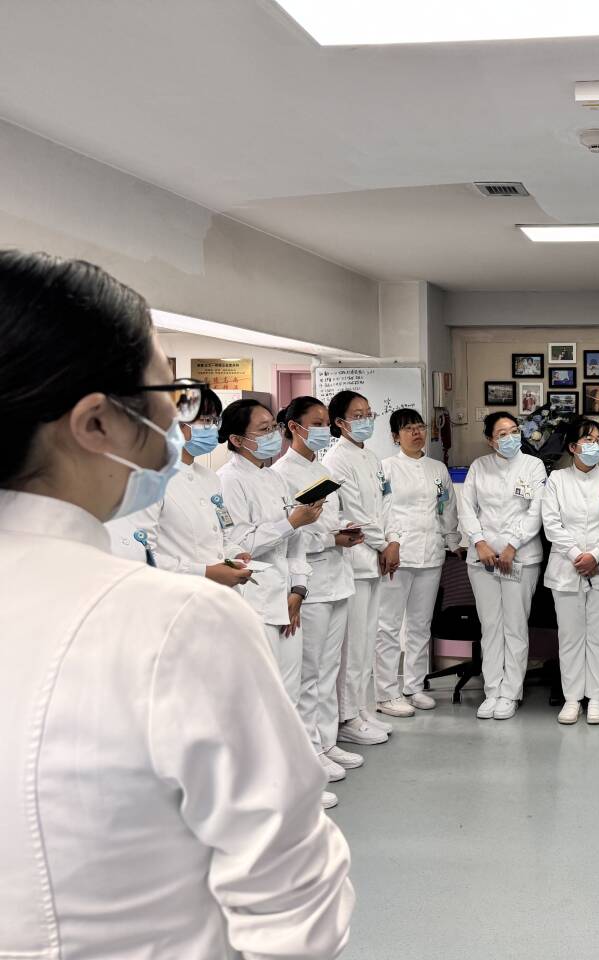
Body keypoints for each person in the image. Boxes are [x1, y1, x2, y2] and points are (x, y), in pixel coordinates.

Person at [0, 250, 352, 957]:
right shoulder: (172, 623)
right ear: (96, 423)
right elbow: (291, 897)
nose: (179, 416)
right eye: (173, 390)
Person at [218, 399, 333, 802]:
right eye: (263, 430)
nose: (273, 435)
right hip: (253, 598)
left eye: (273, 427)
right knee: (262, 697)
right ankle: (266, 782)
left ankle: (294, 774)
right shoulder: (229, 481)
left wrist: (298, 590)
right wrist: (290, 523)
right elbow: (238, 546)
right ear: (237, 440)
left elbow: (296, 543)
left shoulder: (274, 478)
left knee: (290, 690)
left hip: (285, 598)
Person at [272, 396, 365, 784]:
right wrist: (331, 539)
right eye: (317, 422)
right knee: (308, 673)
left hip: (338, 578)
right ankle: (308, 748)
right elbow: (291, 533)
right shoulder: (281, 474)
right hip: (310, 583)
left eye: (327, 422)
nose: (325, 429)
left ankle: (326, 742)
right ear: (294, 427)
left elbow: (328, 519)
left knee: (329, 669)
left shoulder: (323, 469)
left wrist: (344, 530)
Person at [458, 411, 547, 720]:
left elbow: (536, 510)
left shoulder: (533, 465)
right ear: (490, 440)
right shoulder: (479, 467)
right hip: (482, 558)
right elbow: (466, 507)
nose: (510, 438)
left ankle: (510, 693)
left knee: (515, 626)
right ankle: (492, 690)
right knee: (491, 626)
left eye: (514, 431)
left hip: (519, 557)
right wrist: (479, 542)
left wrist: (512, 546)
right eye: (502, 434)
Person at [542, 418, 599, 725]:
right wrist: (576, 555)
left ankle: (595, 698)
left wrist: (595, 555)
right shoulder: (556, 479)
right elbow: (552, 523)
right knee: (570, 637)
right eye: (588, 440)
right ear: (572, 446)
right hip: (566, 568)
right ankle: (572, 699)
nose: (595, 445)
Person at [375, 407, 461, 718]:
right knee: (388, 626)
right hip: (396, 555)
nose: (416, 433)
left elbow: (447, 507)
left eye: (420, 426)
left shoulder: (437, 469)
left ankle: (413, 686)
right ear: (395, 436)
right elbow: (381, 510)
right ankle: (386, 692)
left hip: (431, 554)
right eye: (408, 428)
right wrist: (387, 544)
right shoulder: (385, 468)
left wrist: (453, 542)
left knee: (420, 625)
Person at [324, 390, 397, 747]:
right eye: (358, 414)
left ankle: (361, 708)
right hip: (355, 560)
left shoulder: (372, 458)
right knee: (352, 646)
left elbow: (386, 503)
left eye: (369, 413)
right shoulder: (336, 461)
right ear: (340, 422)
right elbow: (354, 513)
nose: (366, 419)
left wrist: (393, 540)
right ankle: (346, 716)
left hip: (376, 560)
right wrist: (385, 545)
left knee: (367, 640)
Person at [134, 386, 255, 586]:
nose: (213, 428)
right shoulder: (149, 479)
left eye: (215, 421)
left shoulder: (210, 478)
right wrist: (205, 572)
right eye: (206, 421)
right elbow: (141, 554)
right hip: (177, 594)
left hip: (218, 593)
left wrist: (235, 553)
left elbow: (219, 537)